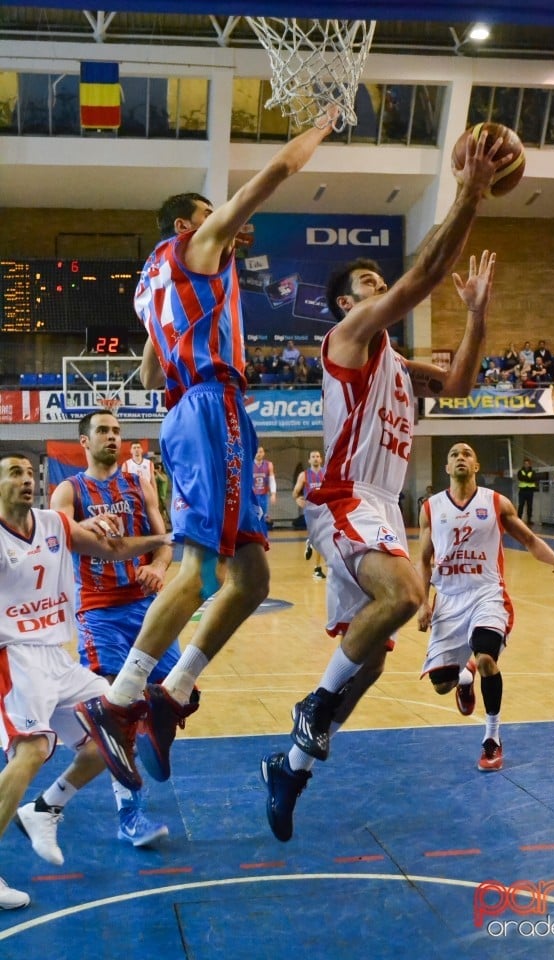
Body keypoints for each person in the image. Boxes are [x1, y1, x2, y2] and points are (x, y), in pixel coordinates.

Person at [74, 110, 339, 793]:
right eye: (212, 213)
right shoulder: (197, 246)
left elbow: (148, 374)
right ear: (189, 224)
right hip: (209, 406)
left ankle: (171, 692)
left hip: (193, 406)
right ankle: (119, 701)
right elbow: (278, 171)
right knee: (197, 568)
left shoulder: (149, 282)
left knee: (251, 578)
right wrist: (322, 127)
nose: (227, 219)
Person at [259, 125, 510, 842]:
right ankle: (312, 710)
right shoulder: (349, 339)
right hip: (342, 496)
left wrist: (479, 316)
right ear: (348, 305)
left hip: (380, 508)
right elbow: (419, 279)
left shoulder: (399, 361)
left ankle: (293, 766)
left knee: (365, 666)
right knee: (403, 594)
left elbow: (459, 381)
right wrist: (470, 191)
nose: (380, 291)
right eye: (369, 286)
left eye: (378, 284)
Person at [0, 453, 171, 905]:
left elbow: (111, 550)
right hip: (12, 656)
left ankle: (45, 808)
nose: (26, 480)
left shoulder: (53, 523)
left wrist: (166, 538)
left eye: (31, 474)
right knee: (32, 748)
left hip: (56, 656)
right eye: (15, 473)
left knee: (118, 720)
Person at [49, 410, 181, 847]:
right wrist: (84, 527)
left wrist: (159, 569)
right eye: (103, 431)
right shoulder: (70, 489)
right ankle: (130, 814)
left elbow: (164, 541)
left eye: (117, 431)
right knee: (116, 714)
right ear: (83, 442)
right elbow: (64, 532)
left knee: (178, 694)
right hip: (100, 613)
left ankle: (150, 735)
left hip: (145, 607)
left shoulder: (138, 483)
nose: (113, 437)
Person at [417, 442, 554, 771]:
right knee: (442, 684)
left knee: (487, 657)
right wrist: (422, 602)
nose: (461, 457)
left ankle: (492, 739)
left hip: (486, 593)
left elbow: (530, 540)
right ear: (446, 468)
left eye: (467, 454)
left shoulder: (496, 502)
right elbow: (423, 561)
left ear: (476, 466)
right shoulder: (431, 508)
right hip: (447, 598)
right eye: (454, 455)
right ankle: (463, 678)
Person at [292, 450, 326, 579]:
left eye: (318, 456)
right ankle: (317, 568)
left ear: (321, 459)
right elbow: (295, 492)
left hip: (324, 509)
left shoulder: (326, 474)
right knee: (318, 537)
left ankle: (317, 567)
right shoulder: (304, 475)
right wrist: (297, 499)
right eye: (313, 457)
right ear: (309, 460)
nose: (316, 459)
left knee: (320, 539)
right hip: (310, 510)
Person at [253, 445, 277, 526]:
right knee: (254, 515)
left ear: (263, 453)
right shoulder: (249, 464)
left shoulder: (269, 464)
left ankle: (262, 535)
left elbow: (272, 479)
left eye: (260, 452)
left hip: (263, 494)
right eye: (257, 452)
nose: (258, 454)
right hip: (253, 495)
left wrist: (273, 494)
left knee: (263, 515)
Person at [516, 457, 537, 524]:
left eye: (527, 464)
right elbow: (520, 478)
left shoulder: (533, 472)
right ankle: (518, 519)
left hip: (530, 491)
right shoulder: (520, 471)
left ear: (529, 464)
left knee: (529, 506)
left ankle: (529, 520)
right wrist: (528, 479)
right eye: (525, 464)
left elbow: (533, 479)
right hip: (522, 491)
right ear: (523, 464)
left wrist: (525, 478)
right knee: (521, 505)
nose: (526, 465)